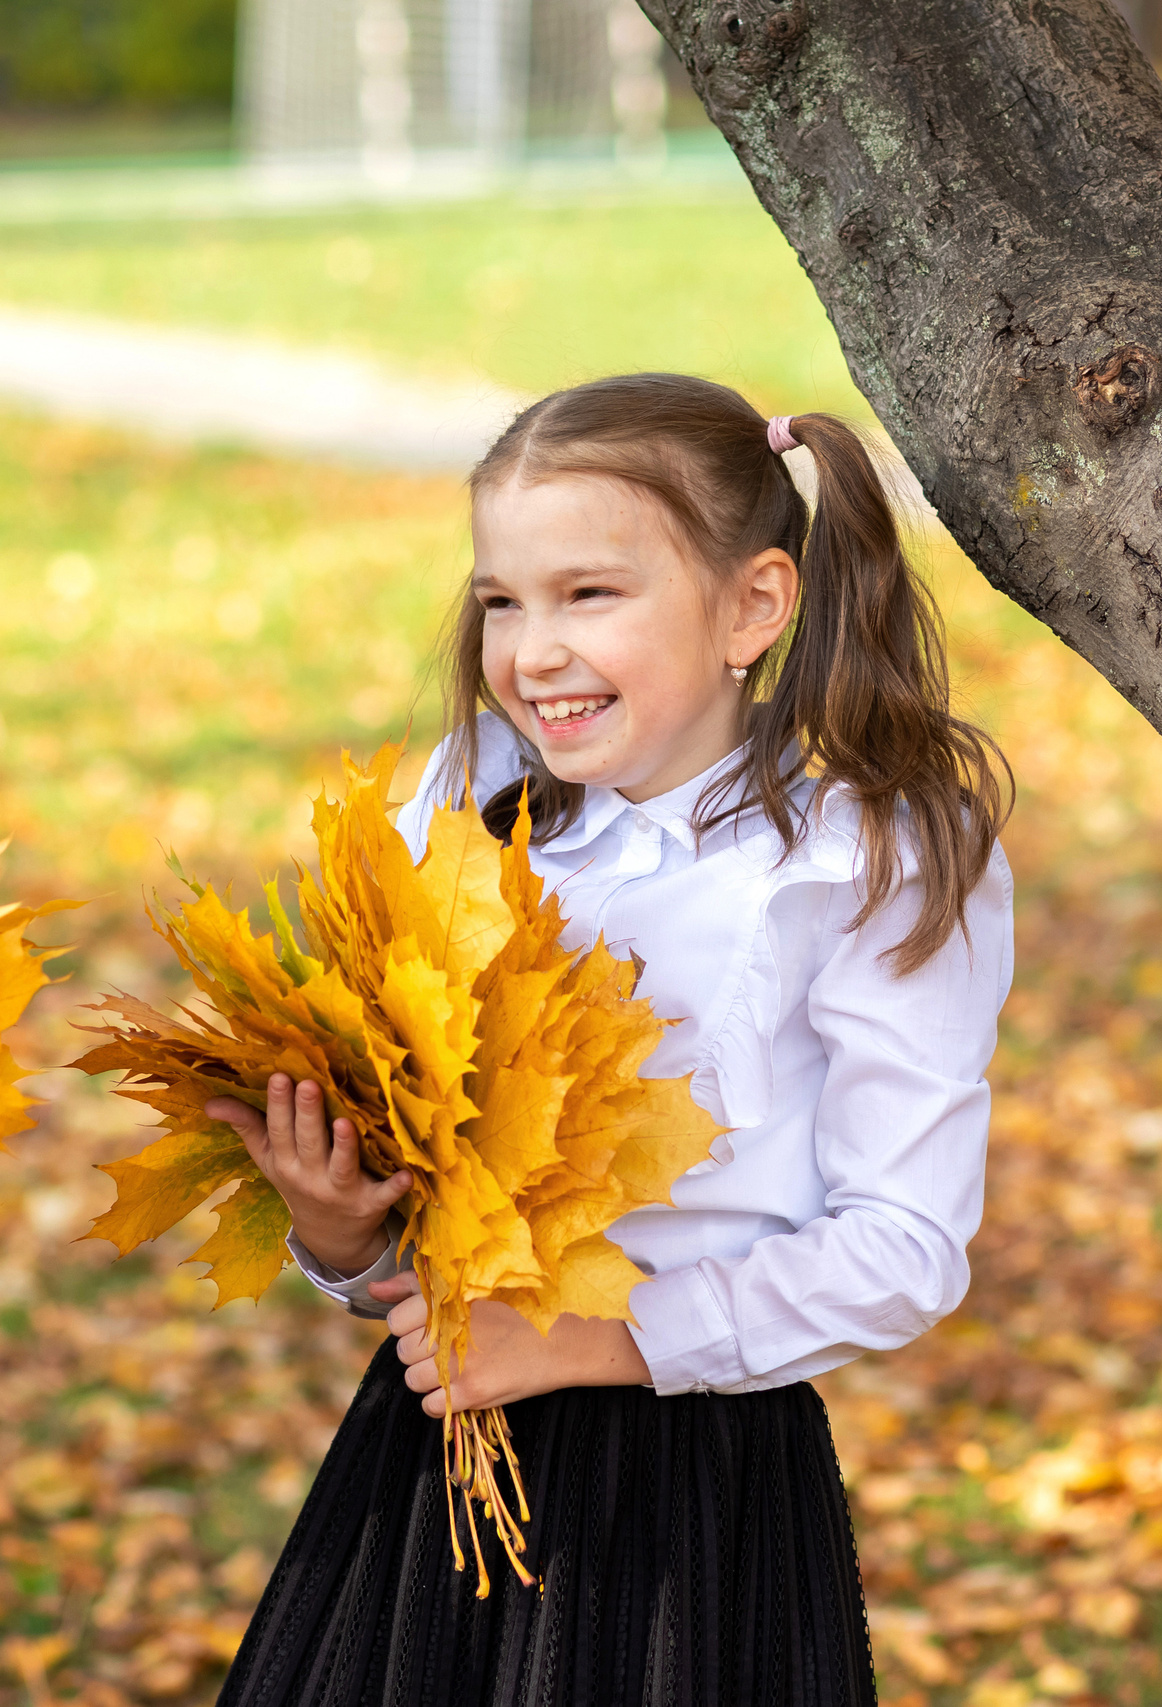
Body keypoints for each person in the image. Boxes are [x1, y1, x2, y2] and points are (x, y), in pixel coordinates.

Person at [212, 373, 1014, 1706]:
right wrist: (344, 1241)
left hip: (691, 1510)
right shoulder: (467, 803)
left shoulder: (860, 859)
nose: (531, 650)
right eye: (502, 602)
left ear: (754, 604)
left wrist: (603, 1341)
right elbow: (419, 1209)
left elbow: (904, 1251)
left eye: (590, 595)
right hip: (436, 1478)